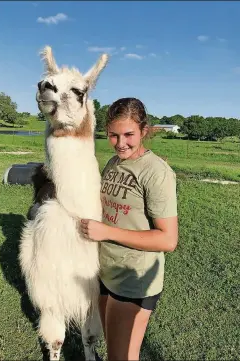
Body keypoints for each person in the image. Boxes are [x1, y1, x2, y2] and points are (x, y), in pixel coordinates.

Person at [80, 97, 178, 361]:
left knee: (121, 357)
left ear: (144, 131)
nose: (120, 143)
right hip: (106, 271)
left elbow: (168, 240)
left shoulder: (156, 172)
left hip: (133, 280)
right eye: (113, 135)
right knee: (112, 349)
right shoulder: (114, 164)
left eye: (129, 134)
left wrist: (107, 232)